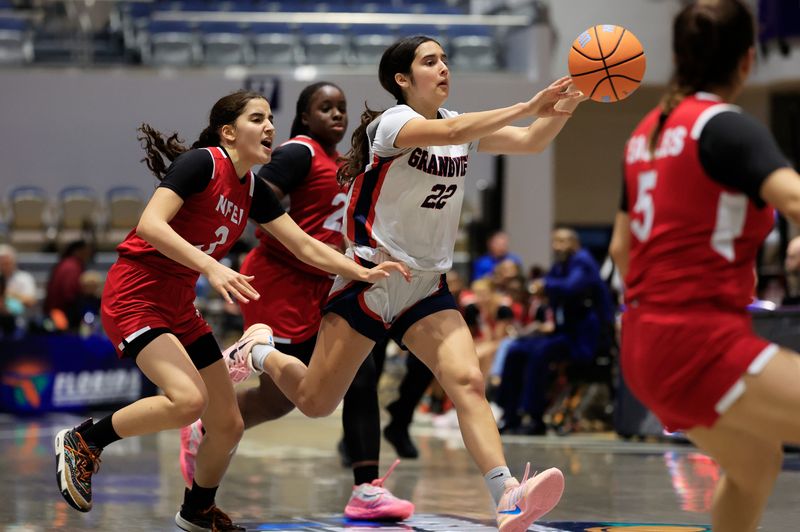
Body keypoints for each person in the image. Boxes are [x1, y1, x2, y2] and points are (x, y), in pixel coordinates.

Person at [229, 36, 585, 531]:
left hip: (425, 286)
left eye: (445, 60)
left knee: (467, 382)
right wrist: (529, 103)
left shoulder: (456, 128)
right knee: (314, 402)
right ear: (402, 79)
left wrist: (565, 105)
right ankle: (259, 350)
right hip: (371, 278)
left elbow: (531, 141)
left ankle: (506, 493)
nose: (444, 68)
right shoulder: (393, 124)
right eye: (430, 61)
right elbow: (458, 128)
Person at [52, 90, 408, 532]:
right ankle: (84, 441)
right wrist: (210, 266)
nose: (269, 127)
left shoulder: (252, 188)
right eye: (257, 118)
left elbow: (303, 244)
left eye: (271, 119)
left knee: (227, 423)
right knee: (188, 401)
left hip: (179, 305)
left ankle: (197, 510)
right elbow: (150, 225)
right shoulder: (202, 163)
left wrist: (364, 271)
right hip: (136, 296)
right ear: (228, 131)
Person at [178, 82, 414, 521]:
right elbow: (255, 200)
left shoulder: (343, 163)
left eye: (341, 108)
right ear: (305, 117)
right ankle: (244, 364)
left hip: (322, 287)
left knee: (309, 391)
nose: (337, 115)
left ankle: (365, 489)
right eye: (325, 108)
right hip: (281, 282)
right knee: (312, 386)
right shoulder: (298, 152)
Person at [608, 1, 800, 530]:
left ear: (679, 55)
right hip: (696, 338)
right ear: (747, 61)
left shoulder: (645, 132)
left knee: (757, 464)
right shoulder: (726, 127)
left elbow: (622, 251)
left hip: (644, 344)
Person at [497, 228, 613, 435]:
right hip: (564, 333)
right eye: (555, 241)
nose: (556, 245)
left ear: (575, 243)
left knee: (539, 352)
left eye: (562, 241)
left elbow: (570, 287)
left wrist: (545, 285)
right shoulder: (560, 265)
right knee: (516, 349)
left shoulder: (583, 261)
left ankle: (534, 418)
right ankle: (509, 414)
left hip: (584, 338)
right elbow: (543, 287)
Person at [0, 244, 37, 315]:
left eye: (6, 263)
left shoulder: (24, 278)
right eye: (1, 263)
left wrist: (8, 295)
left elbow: (30, 301)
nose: (4, 266)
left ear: (13, 261)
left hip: (21, 317)